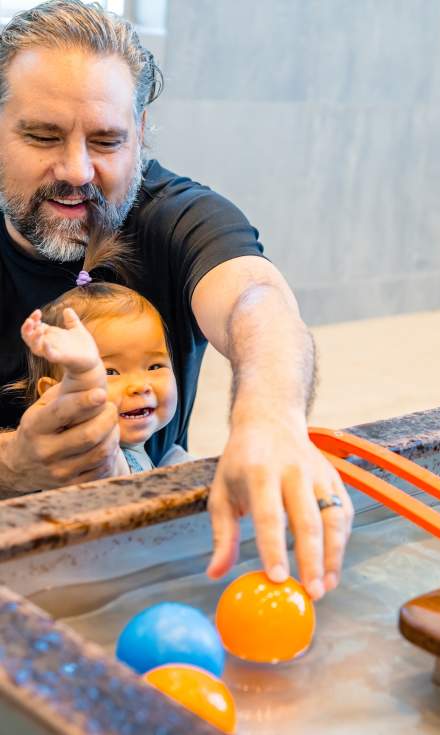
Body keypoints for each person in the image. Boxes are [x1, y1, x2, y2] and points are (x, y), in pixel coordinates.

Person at [0, 0, 353, 600]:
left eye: (107, 140)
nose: (78, 170)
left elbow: (256, 300)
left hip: (134, 550)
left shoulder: (177, 215)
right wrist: (13, 466)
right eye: (42, 135)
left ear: (139, 136)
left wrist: (270, 420)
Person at [12, 212, 187, 475]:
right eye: (109, 372)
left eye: (154, 366)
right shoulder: (90, 458)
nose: (140, 386)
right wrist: (84, 373)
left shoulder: (153, 453)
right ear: (53, 396)